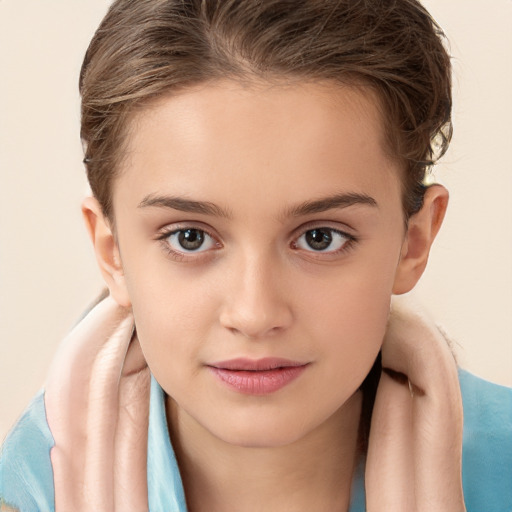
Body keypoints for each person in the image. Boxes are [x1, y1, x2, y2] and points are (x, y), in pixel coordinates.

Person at [1, 1, 511, 511]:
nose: (254, 313)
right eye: (190, 238)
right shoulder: (23, 493)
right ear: (111, 252)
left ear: (413, 242)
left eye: (320, 238)